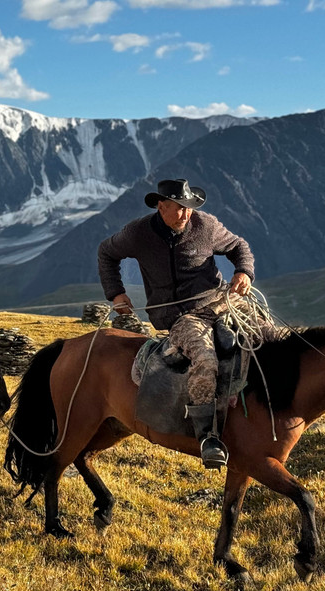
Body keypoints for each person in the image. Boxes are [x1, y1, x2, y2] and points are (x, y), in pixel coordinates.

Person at [97, 178, 257, 469]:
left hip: (222, 302)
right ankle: (208, 436)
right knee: (205, 359)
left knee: (269, 335)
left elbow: (239, 246)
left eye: (189, 209)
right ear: (161, 206)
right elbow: (106, 253)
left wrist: (244, 272)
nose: (185, 215)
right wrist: (115, 293)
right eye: (178, 209)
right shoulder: (138, 233)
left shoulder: (206, 226)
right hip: (180, 317)